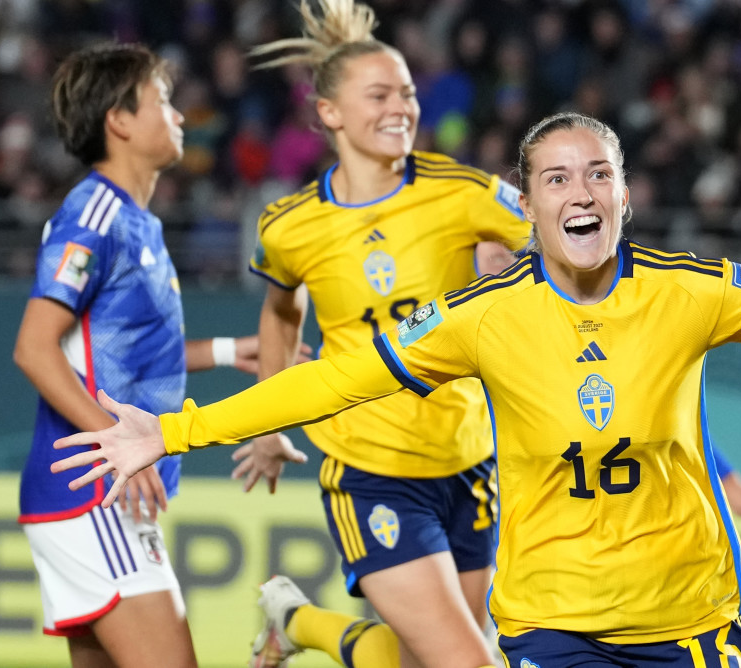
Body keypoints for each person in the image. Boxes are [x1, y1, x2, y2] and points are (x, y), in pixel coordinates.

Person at [52, 112, 741, 668]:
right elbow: (327, 376)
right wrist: (178, 426)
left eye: (597, 174)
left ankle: (313, 628)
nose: (579, 191)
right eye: (556, 177)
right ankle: (318, 628)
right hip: (556, 620)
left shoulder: (691, 290)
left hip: (691, 613)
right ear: (530, 203)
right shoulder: (482, 318)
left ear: (623, 191)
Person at [227, 1, 530, 666]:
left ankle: (297, 623)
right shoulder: (291, 225)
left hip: (469, 458)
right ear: (330, 112)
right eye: (380, 94)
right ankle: (298, 622)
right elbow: (282, 311)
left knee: (429, 659)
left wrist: (521, 270)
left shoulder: (464, 193)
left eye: (409, 93)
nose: (401, 107)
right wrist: (269, 424)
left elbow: (562, 251)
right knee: (467, 662)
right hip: (371, 470)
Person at [12, 43, 263, 668]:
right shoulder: (95, 212)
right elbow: (35, 349)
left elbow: (132, 355)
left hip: (93, 493)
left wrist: (234, 350)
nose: (179, 115)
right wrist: (118, 440)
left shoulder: (138, 222)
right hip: (93, 493)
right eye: (163, 101)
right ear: (119, 121)